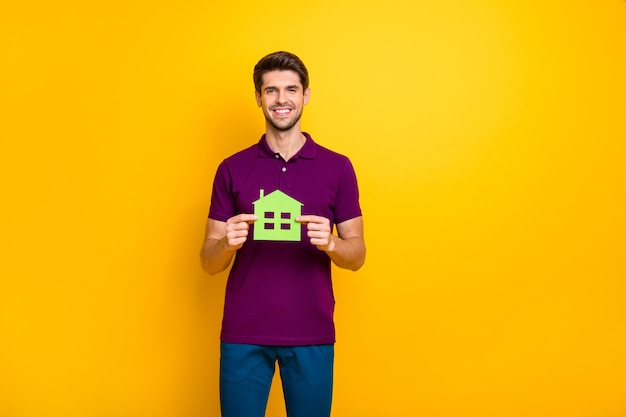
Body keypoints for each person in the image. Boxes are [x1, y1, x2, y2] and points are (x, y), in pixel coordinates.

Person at [200, 51, 366, 417]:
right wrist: (227, 243)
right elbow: (208, 262)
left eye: (291, 89)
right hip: (243, 332)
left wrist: (333, 243)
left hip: (312, 332)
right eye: (271, 91)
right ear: (258, 98)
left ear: (306, 95)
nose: (281, 100)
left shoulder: (338, 168)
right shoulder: (232, 168)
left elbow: (357, 256)